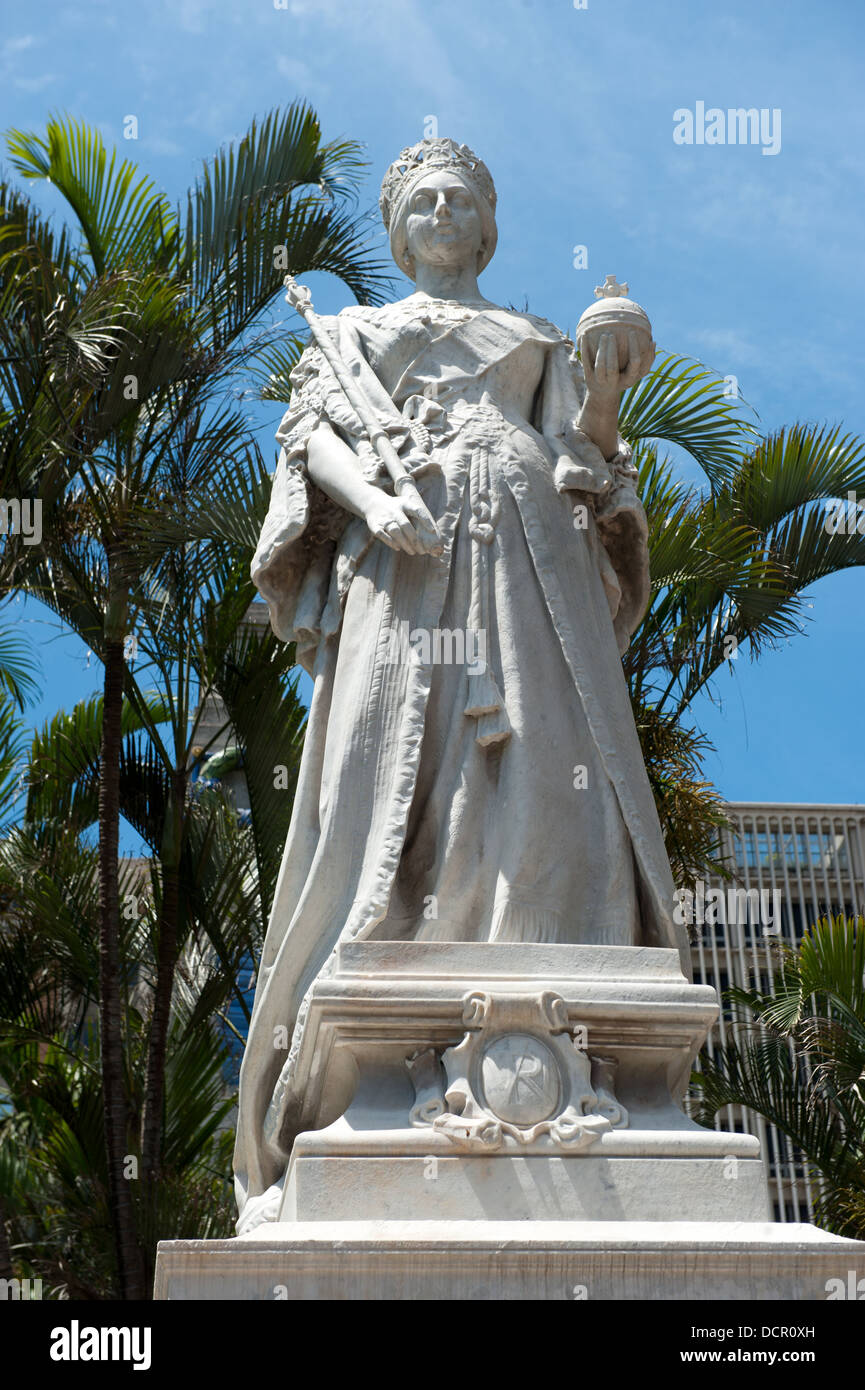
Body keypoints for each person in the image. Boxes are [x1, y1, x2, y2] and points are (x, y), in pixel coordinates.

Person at [233, 137, 689, 1234]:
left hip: (531, 541)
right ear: (397, 228)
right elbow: (312, 443)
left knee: (544, 746)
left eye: (459, 198)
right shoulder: (350, 334)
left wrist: (610, 382)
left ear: (487, 225)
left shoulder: (532, 337)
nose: (440, 210)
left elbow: (585, 456)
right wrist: (377, 506)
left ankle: (551, 939)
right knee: (381, 755)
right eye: (421, 199)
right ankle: (388, 946)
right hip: (405, 551)